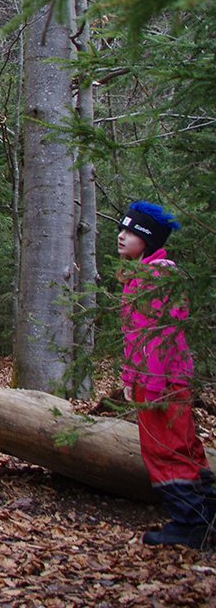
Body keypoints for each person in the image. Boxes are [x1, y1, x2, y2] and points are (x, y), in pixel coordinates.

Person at [117, 200, 216, 548]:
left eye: (130, 231)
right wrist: (130, 378)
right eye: (121, 228)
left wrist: (152, 384)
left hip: (162, 383)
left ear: (149, 238)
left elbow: (160, 335)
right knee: (183, 444)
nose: (121, 235)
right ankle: (206, 516)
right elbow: (135, 335)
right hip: (153, 380)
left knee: (166, 449)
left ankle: (191, 523)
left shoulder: (158, 276)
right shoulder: (142, 274)